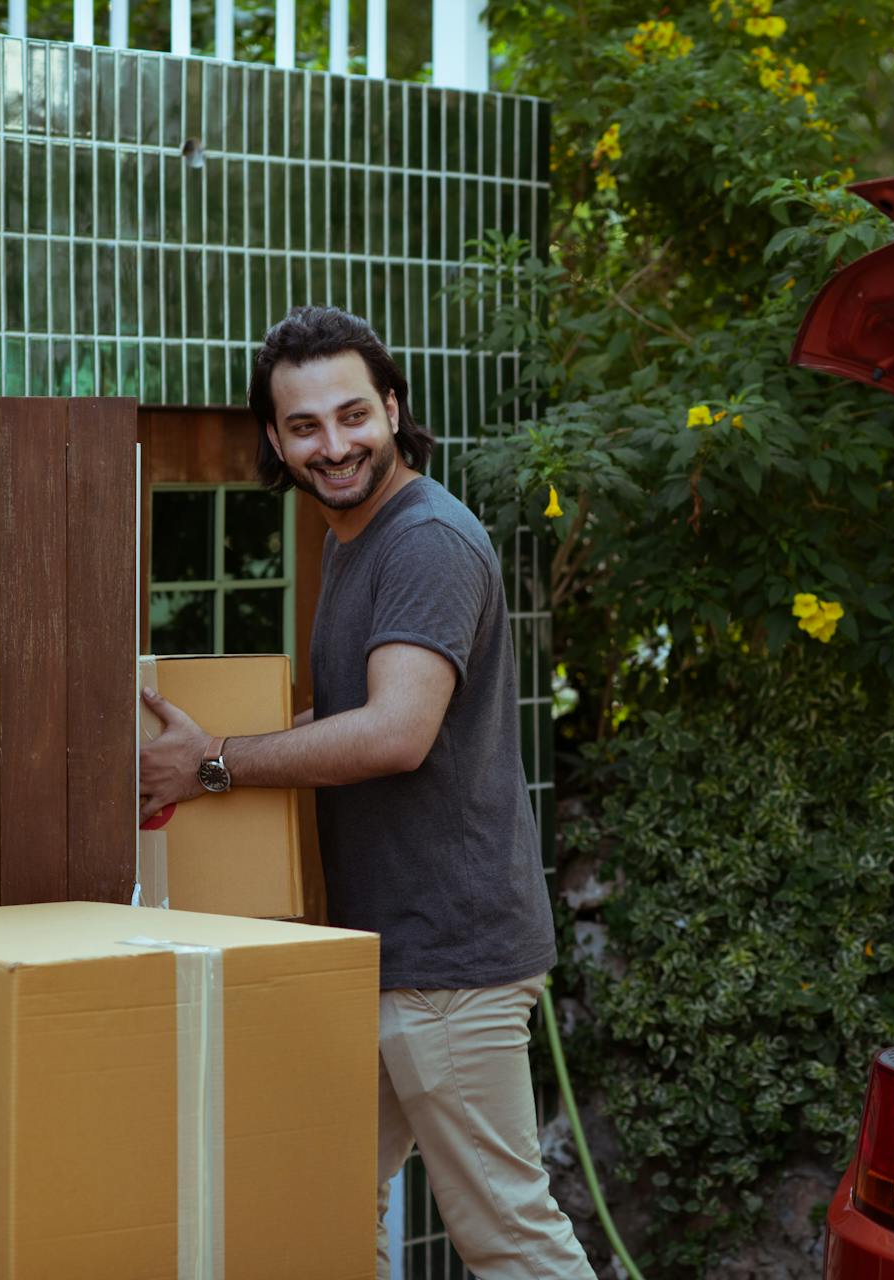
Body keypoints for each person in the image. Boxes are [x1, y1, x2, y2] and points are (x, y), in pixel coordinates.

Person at [137, 306, 595, 1280]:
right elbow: (354, 716)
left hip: (449, 965)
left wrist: (217, 759)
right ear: (275, 437)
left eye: (353, 414)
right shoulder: (356, 537)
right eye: (304, 426)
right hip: (384, 956)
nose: (333, 444)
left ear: (393, 406)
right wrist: (207, 756)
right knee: (330, 1211)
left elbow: (395, 732)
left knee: (510, 1238)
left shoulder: (425, 541)